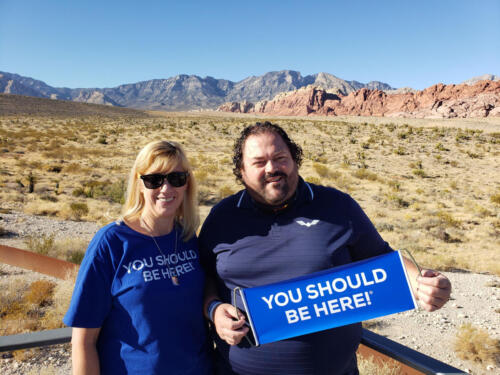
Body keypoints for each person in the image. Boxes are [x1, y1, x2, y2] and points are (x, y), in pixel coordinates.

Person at [199, 122, 452, 375]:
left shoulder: (337, 207)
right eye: (259, 162)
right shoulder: (222, 218)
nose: (272, 168)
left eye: (280, 158)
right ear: (241, 170)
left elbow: (383, 260)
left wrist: (422, 283)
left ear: (295, 160)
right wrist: (214, 310)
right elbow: (204, 278)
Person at [64, 140, 213, 375]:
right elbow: (83, 340)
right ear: (139, 184)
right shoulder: (112, 242)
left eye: (176, 179)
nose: (166, 189)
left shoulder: (188, 238)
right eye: (154, 179)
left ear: (187, 185)